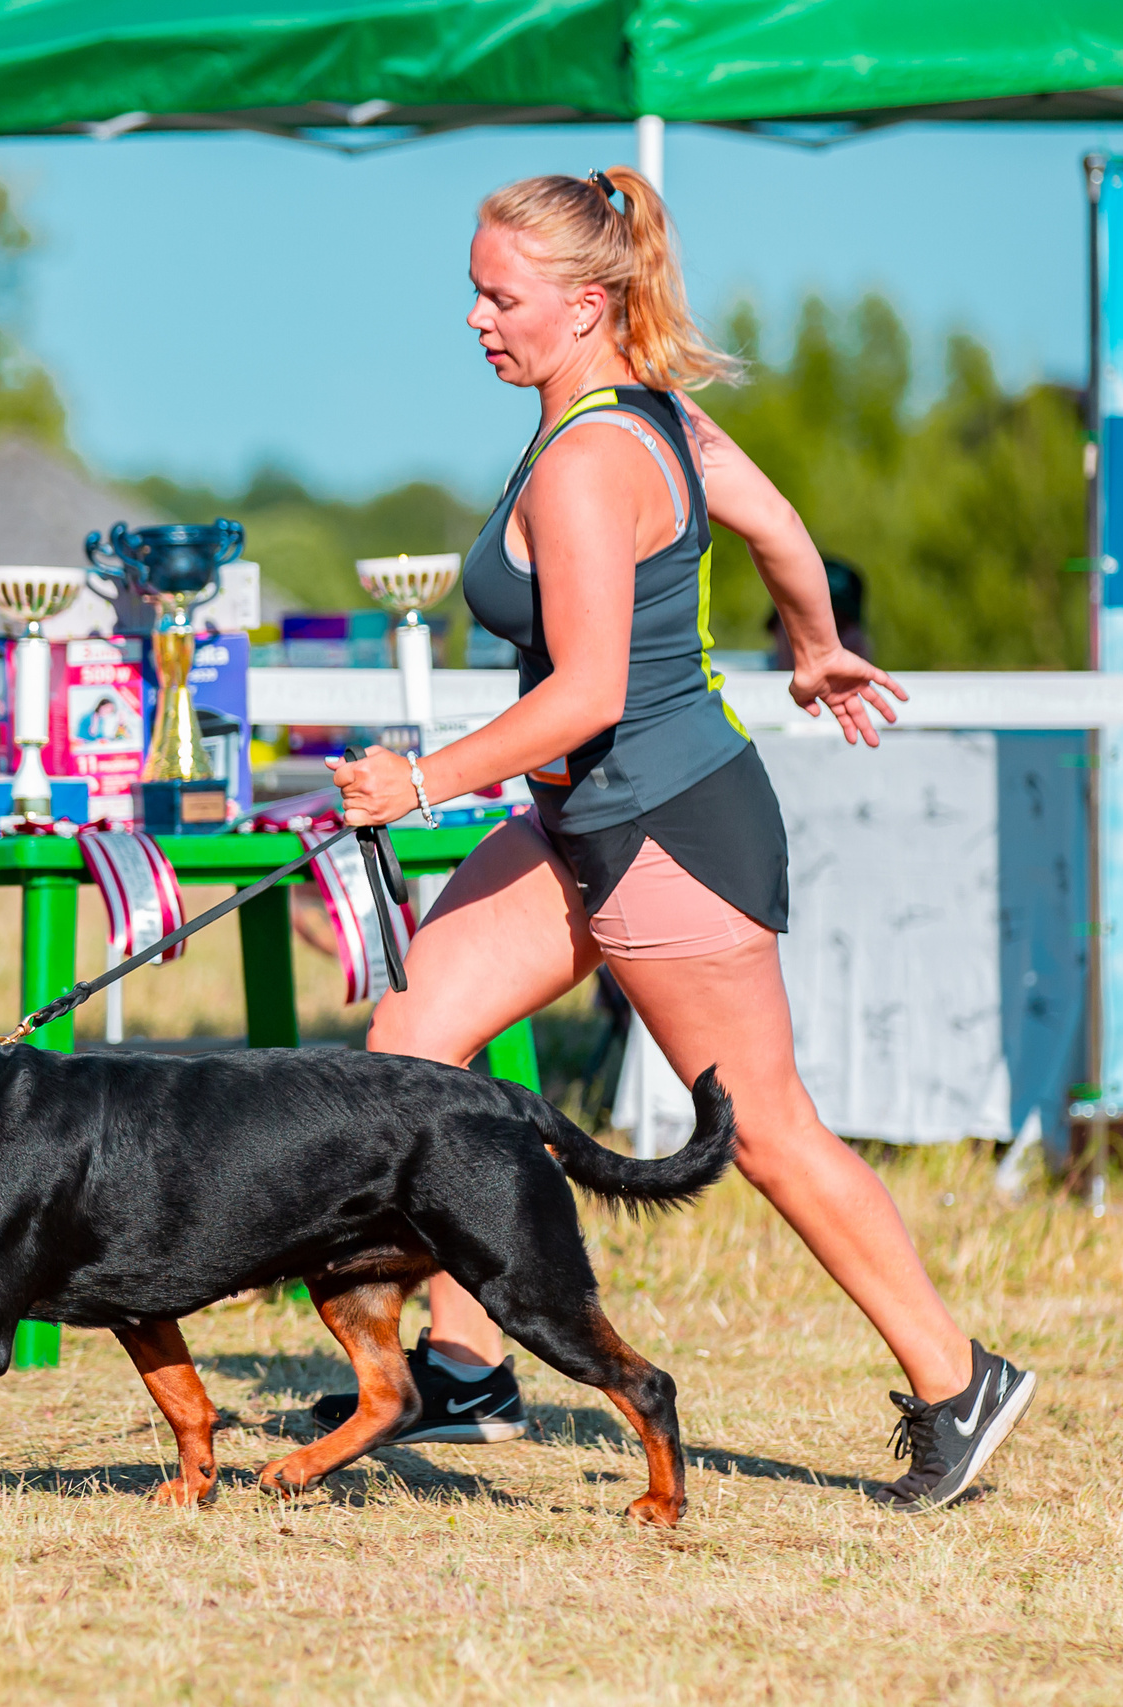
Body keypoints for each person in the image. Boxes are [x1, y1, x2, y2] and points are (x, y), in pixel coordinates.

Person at [316, 166, 1033, 1512]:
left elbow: (587, 692)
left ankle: (959, 1380)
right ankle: (465, 1364)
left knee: (764, 1130)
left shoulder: (591, 459)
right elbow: (781, 528)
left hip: (664, 829)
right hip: (574, 821)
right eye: (474, 291)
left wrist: (422, 782)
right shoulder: (648, 417)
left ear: (586, 305)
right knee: (412, 1053)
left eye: (500, 296)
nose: (476, 317)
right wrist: (814, 645)